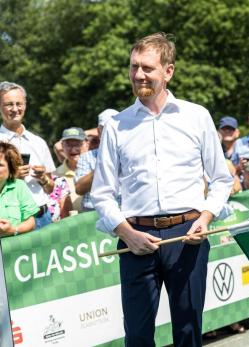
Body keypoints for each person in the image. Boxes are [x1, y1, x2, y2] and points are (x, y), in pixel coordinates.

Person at [91, 33, 233, 346]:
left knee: (188, 331)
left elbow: (222, 179)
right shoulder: (117, 125)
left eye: (147, 68)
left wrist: (206, 217)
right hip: (135, 239)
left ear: (168, 71)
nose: (138, 74)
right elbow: (101, 193)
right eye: (133, 67)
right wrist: (127, 234)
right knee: (138, 336)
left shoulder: (196, 117)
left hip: (188, 235)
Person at [0, 81, 56, 229]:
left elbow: (51, 188)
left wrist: (43, 179)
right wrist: (13, 177)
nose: (15, 109)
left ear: (25, 105)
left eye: (19, 104)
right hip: (11, 222)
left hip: (43, 217)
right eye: (8, 104)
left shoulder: (38, 142)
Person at [75, 109, 119, 212]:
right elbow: (79, 189)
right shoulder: (86, 157)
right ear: (99, 132)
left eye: (116, 128)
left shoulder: (130, 155)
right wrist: (101, 167)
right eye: (107, 128)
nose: (111, 132)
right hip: (93, 212)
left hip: (123, 211)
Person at [0, 142, 39, 237]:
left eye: (0, 165)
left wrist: (13, 230)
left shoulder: (19, 186)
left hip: (11, 249)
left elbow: (30, 222)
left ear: (11, 169)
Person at [54, 127, 86, 214]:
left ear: (86, 144)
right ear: (62, 146)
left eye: (77, 144)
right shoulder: (55, 175)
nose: (73, 149)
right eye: (69, 145)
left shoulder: (97, 170)